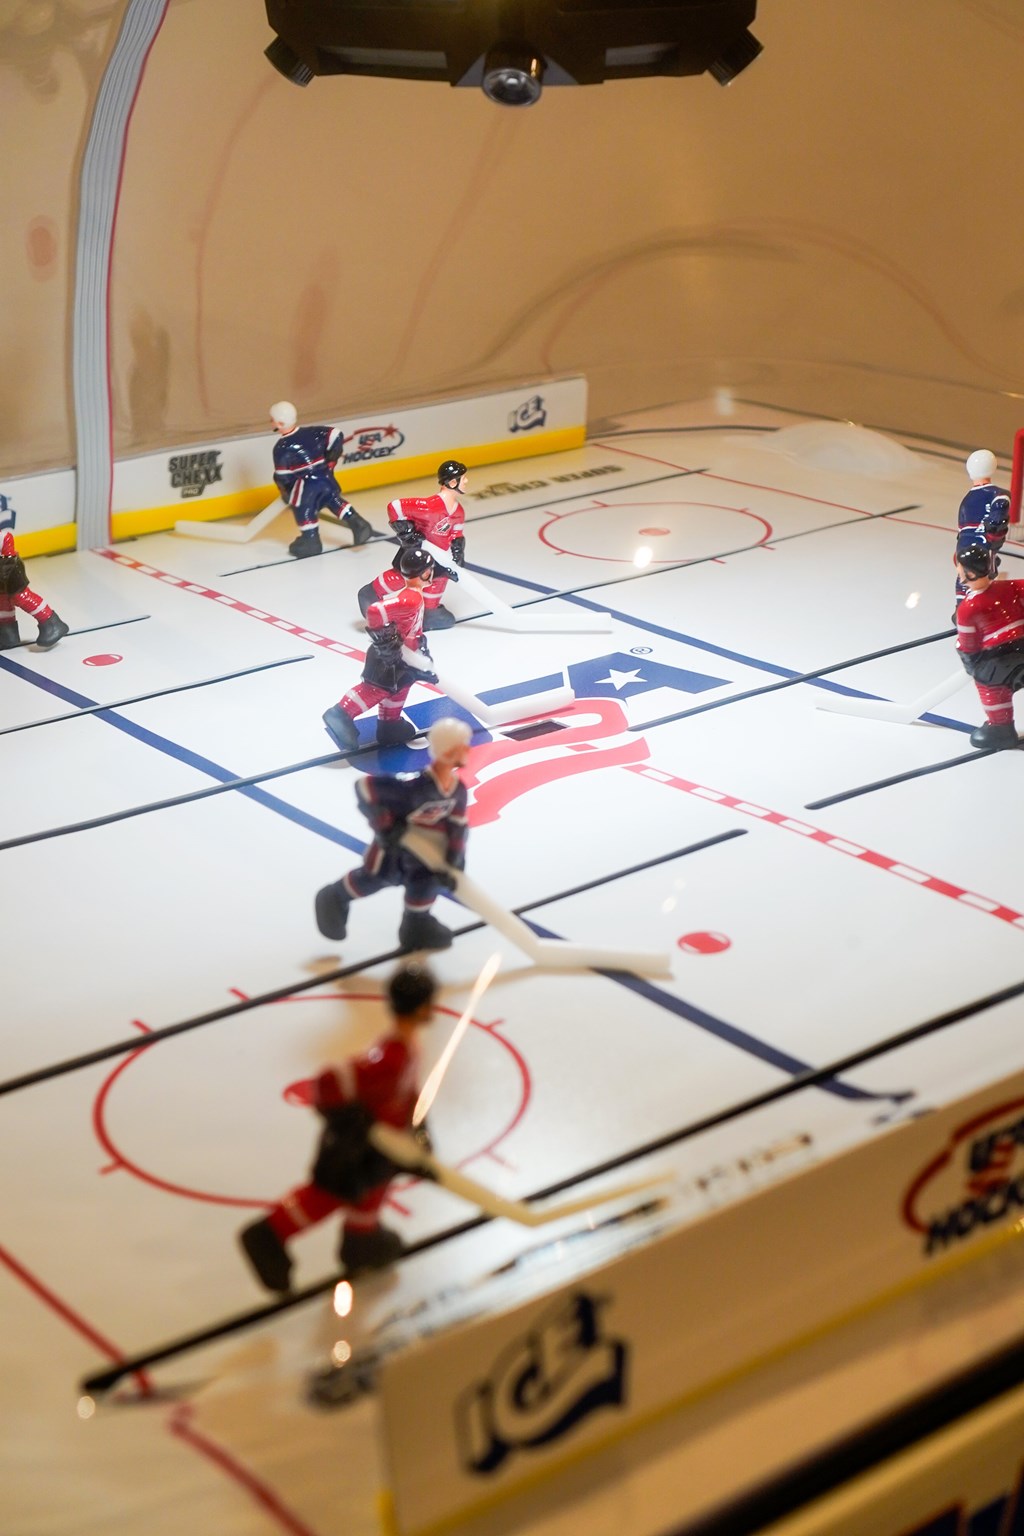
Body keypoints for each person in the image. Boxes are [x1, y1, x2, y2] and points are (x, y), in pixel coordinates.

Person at [238, 963, 438, 1293]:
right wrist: (351, 1122)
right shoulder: (389, 1056)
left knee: (371, 1191)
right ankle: (268, 1234)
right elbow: (331, 1081)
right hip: (358, 1145)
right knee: (328, 1195)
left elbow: (409, 1094)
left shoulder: (406, 1049)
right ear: (421, 1007)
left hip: (382, 1145)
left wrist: (419, 1132)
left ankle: (361, 1239)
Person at [315, 715, 472, 952]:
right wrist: (385, 826)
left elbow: (458, 826)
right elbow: (364, 787)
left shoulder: (457, 790)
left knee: (427, 882)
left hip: (426, 854)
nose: (468, 749)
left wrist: (454, 859)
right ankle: (334, 896)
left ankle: (416, 924)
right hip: (395, 849)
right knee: (376, 878)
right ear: (450, 751)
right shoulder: (413, 790)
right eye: (463, 745)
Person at [323, 546, 438, 751]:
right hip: (389, 655)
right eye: (430, 569)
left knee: (401, 685)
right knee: (377, 689)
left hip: (406, 653)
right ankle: (341, 713)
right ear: (424, 572)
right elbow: (375, 611)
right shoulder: (410, 598)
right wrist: (386, 640)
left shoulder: (416, 596)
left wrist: (418, 646)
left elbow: (412, 626)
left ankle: (389, 724)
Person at [358, 458, 468, 629]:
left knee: (438, 579)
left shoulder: (459, 511)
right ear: (453, 482)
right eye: (463, 477)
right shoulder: (428, 506)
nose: (466, 481)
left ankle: (430, 612)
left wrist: (457, 550)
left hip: (438, 556)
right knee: (404, 577)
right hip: (417, 553)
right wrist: (407, 534)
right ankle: (371, 592)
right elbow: (394, 507)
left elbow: (456, 533)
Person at [269, 400, 376, 558]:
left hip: (306, 486)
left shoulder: (281, 448)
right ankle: (358, 523)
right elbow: (336, 434)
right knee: (333, 500)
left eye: (272, 419)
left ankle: (310, 540)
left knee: (304, 509)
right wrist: (331, 460)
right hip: (325, 478)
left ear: (279, 422)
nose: (271, 422)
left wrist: (286, 492)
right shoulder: (312, 432)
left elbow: (282, 476)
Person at [954, 542, 1024, 749]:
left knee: (990, 688)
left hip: (998, 659)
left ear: (968, 573)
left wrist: (971, 666)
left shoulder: (967, 608)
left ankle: (1000, 728)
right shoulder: (1010, 586)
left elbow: (968, 644)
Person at [0, 494, 69, 650]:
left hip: (10, 574)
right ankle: (7, 635)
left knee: (21, 597)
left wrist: (4, 572)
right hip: (2, 576)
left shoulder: (4, 537)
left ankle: (51, 622)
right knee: (2, 603)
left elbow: (8, 559)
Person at [954, 449, 1011, 608]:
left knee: (965, 575)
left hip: (965, 544)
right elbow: (997, 522)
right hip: (984, 544)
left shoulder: (967, 499)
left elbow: (962, 530)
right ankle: (977, 607)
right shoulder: (999, 495)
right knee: (983, 576)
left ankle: (962, 606)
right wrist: (994, 541)